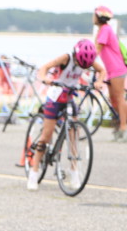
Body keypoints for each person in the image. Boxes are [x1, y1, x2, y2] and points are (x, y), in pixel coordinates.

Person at [27, 40, 106, 191]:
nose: (82, 67)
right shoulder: (66, 58)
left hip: (69, 96)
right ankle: (34, 171)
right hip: (55, 96)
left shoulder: (87, 61)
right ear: (75, 55)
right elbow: (44, 68)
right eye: (80, 63)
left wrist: (99, 82)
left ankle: (74, 172)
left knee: (74, 135)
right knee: (46, 135)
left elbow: (101, 70)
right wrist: (45, 78)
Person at [93, 6, 127, 140]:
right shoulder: (102, 30)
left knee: (119, 98)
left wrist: (85, 62)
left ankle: (123, 128)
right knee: (113, 100)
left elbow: (96, 49)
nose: (93, 18)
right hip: (110, 70)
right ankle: (121, 124)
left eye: (94, 15)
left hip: (117, 69)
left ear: (99, 17)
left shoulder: (105, 30)